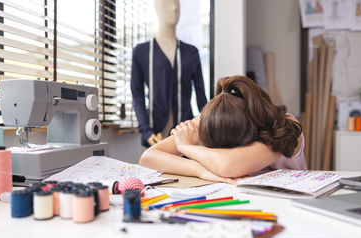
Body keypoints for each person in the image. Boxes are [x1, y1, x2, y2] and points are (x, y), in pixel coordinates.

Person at [139, 75, 306, 184]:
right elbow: (148, 158)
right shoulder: (213, 118)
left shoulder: (284, 127)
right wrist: (201, 171)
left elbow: (227, 166)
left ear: (250, 131)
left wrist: (186, 147)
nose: (221, 152)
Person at [131, 0, 207, 147]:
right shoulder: (142, 52)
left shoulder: (191, 53)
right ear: (156, 7)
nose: (173, 8)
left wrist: (207, 129)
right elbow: (137, 95)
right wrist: (146, 131)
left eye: (177, 4)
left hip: (186, 135)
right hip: (154, 134)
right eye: (167, 3)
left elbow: (201, 98)